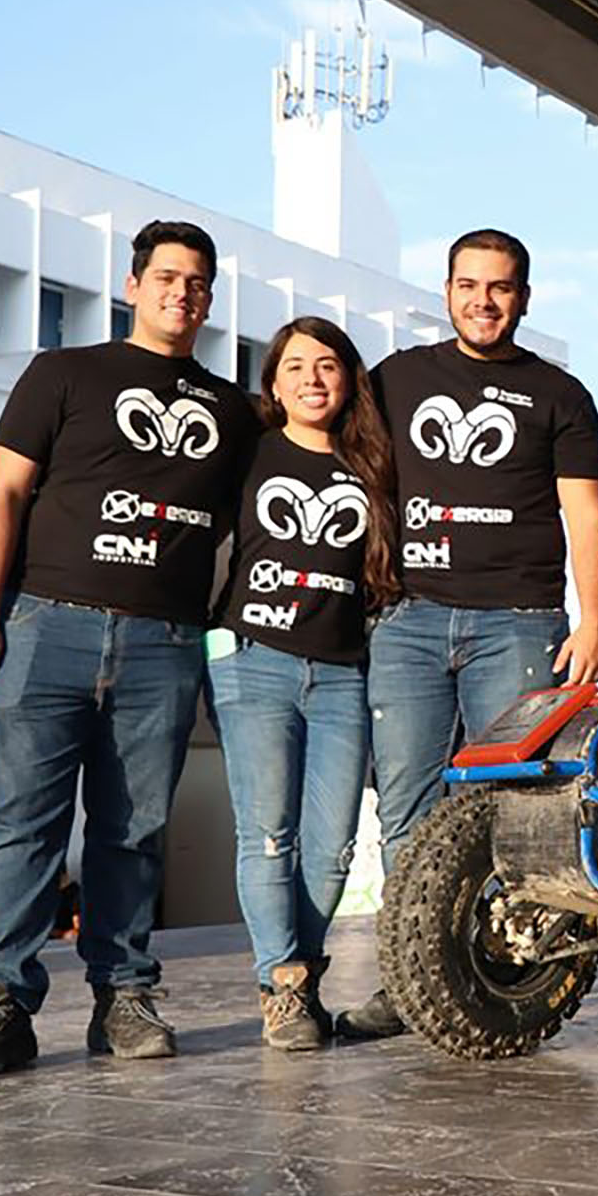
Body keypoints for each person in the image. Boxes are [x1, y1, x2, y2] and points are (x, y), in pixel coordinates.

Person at [0, 220, 262, 1079]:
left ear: (209, 296)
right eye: (165, 277)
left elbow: (237, 522)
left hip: (163, 641)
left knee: (134, 831)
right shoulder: (62, 373)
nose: (181, 293)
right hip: (47, 625)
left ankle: (123, 996)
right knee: (20, 826)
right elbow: (3, 494)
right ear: (132, 284)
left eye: (196, 282)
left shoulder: (230, 409)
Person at [336, 228, 598, 1040]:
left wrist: (593, 621)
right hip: (409, 621)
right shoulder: (396, 379)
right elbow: (333, 458)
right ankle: (411, 973)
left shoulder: (561, 395)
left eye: (499, 287)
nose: (482, 301)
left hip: (519, 623)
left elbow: (585, 515)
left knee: (517, 801)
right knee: (409, 805)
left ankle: (508, 973)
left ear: (523, 297)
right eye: (468, 285)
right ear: (447, 290)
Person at [206, 316, 398, 1050]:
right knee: (267, 836)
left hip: (344, 673)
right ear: (273, 382)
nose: (312, 380)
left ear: (348, 379)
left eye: (326, 366)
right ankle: (282, 986)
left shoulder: (372, 464)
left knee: (332, 848)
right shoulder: (248, 452)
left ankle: (303, 975)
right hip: (253, 662)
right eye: (294, 367)